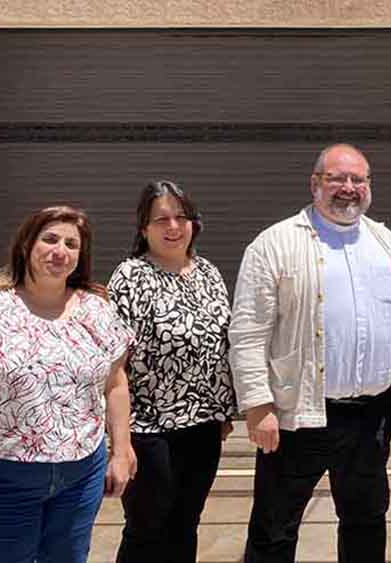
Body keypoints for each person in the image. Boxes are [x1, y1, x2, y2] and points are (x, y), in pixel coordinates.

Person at [228, 143, 391, 563]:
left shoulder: (386, 243)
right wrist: (257, 405)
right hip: (297, 414)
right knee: (274, 527)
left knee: (366, 520)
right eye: (337, 178)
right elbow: (247, 331)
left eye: (358, 179)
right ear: (314, 183)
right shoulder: (274, 244)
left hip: (371, 416)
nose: (348, 188)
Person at [0, 205, 137, 563]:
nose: (60, 251)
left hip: (80, 475)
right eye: (50, 239)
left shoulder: (98, 312)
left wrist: (121, 450)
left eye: (72, 244)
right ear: (27, 244)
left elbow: (116, 384)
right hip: (1, 475)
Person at [108, 180, 238, 563]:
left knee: (186, 523)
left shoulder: (208, 273)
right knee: (148, 527)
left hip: (203, 425)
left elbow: (222, 343)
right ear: (143, 228)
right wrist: (120, 439)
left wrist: (224, 409)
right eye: (161, 219)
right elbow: (115, 363)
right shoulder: (131, 277)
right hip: (149, 428)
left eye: (181, 217)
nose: (173, 227)